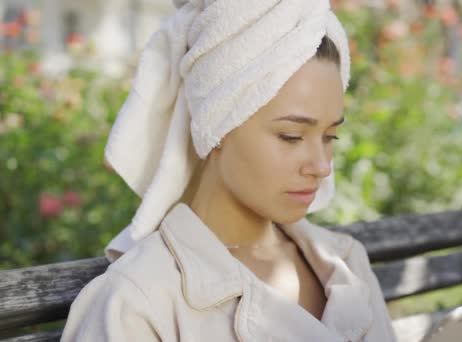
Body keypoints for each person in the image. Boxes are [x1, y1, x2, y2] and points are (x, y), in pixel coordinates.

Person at [61, 0, 397, 341]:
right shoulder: (139, 302)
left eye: (329, 136)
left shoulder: (345, 263)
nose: (322, 166)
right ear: (217, 126)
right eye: (291, 137)